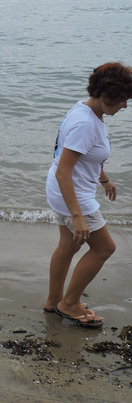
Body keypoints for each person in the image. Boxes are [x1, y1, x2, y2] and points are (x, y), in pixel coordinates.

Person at [44, 62, 132, 327]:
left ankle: (53, 302)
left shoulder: (86, 109)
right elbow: (64, 171)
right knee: (105, 247)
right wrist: (78, 216)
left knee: (68, 245)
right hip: (72, 193)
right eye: (123, 99)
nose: (125, 106)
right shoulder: (85, 123)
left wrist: (103, 179)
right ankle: (69, 303)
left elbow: (86, 155)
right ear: (107, 94)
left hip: (62, 190)